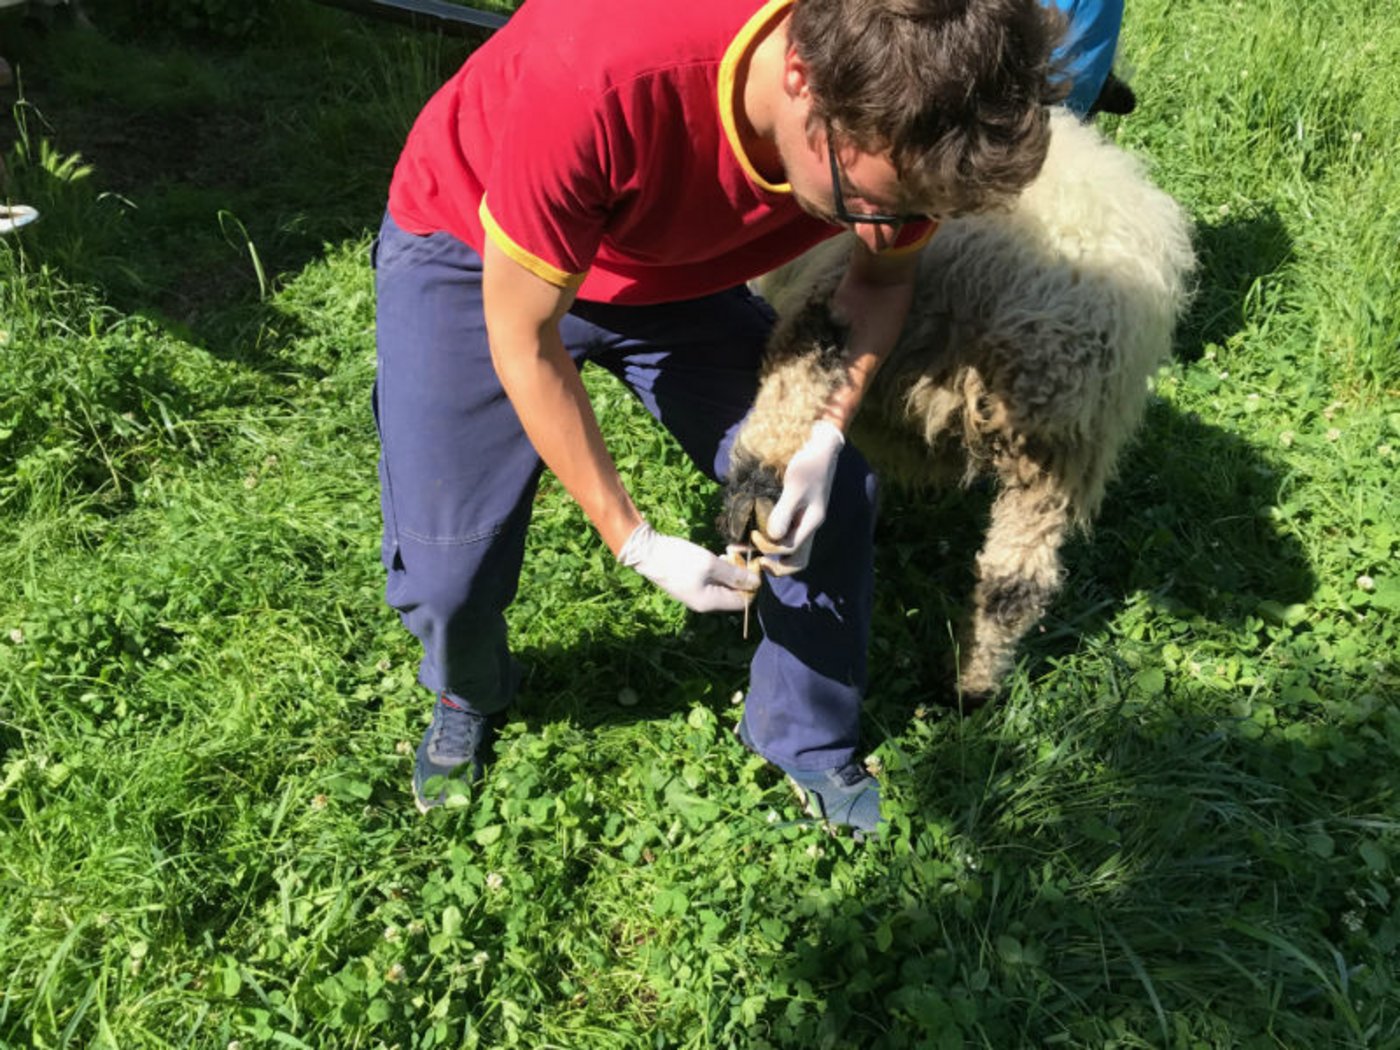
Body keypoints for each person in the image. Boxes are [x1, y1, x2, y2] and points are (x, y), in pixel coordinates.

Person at [374, 0, 1061, 834]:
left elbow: (879, 285)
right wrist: (635, 540)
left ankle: (801, 734)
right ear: (803, 80)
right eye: (872, 206)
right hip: (477, 246)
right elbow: (523, 337)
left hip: (667, 268)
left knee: (832, 491)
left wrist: (827, 429)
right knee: (452, 572)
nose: (886, 231)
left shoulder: (898, 127)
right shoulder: (599, 73)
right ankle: (468, 685)